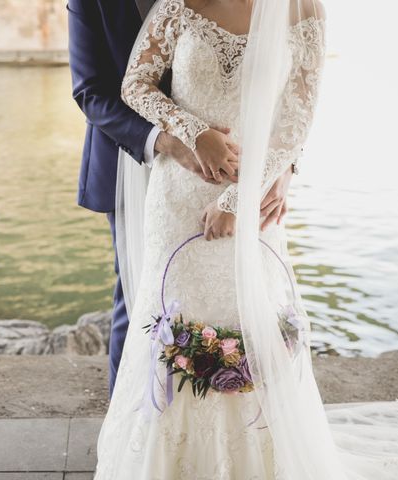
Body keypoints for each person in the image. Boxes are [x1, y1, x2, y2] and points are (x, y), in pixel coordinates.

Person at [93, 0, 398, 478]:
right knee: (174, 318)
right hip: (178, 192)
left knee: (249, 318)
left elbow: (296, 120)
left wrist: (239, 200)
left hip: (254, 196)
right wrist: (193, 131)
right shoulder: (179, 4)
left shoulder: (303, 9)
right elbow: (134, 85)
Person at [67, 0, 294, 398]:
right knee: (139, 295)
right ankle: (130, 433)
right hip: (132, 158)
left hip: (229, 167)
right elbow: (90, 90)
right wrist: (169, 141)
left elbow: (282, 90)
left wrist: (284, 170)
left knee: (231, 298)